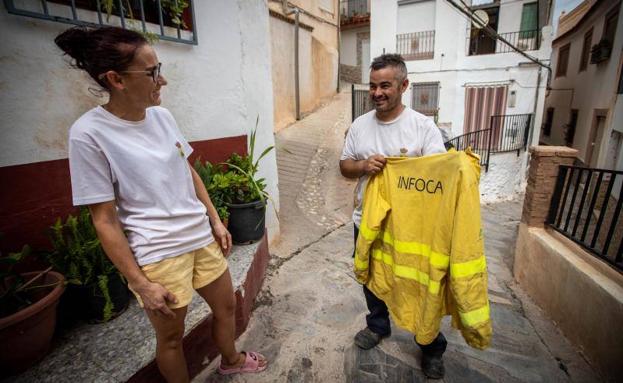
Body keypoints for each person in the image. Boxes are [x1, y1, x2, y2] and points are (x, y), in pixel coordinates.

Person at [55, 26, 267, 382]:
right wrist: (140, 283)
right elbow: (104, 221)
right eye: (152, 72)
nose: (162, 79)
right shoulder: (89, 134)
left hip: (199, 237)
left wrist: (214, 220)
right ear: (115, 79)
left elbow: (188, 172)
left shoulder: (162, 117)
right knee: (171, 338)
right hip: (159, 253)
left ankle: (230, 358)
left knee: (227, 305)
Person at [339, 54, 448, 379]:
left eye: (385, 85)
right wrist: (362, 166)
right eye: (373, 86)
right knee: (371, 279)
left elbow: (439, 175)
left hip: (410, 230)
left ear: (404, 85)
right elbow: (344, 166)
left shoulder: (422, 128)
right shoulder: (359, 126)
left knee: (417, 287)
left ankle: (430, 345)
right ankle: (377, 325)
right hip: (367, 223)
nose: (377, 92)